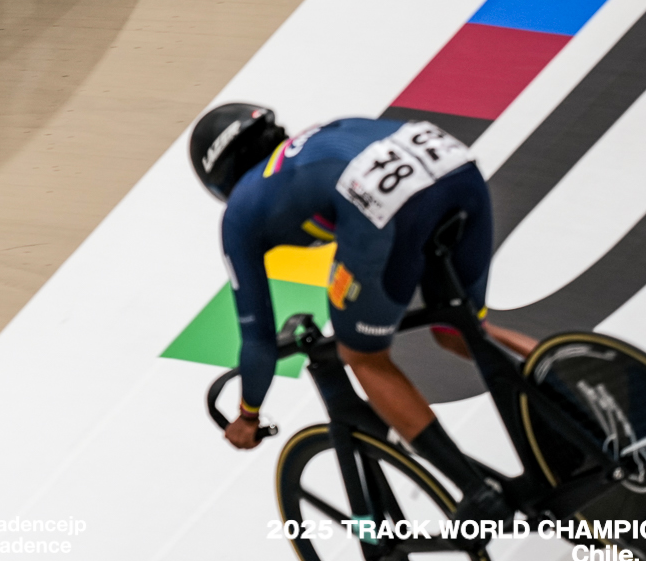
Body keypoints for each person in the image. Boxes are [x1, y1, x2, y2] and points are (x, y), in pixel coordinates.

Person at [190, 104, 538, 521]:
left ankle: (478, 495)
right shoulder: (316, 135)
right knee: (460, 331)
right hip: (455, 167)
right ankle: (578, 384)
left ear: (220, 176)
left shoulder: (241, 210)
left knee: (361, 355)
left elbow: (258, 340)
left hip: (387, 208)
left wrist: (248, 415)